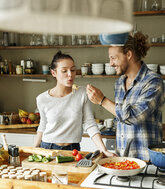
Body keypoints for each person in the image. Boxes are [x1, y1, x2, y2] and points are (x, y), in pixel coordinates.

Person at [86, 31, 165, 161]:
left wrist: (103, 101)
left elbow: (134, 117)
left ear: (128, 54)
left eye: (113, 58)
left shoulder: (153, 81)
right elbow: (121, 117)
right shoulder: (119, 83)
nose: (110, 63)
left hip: (145, 161)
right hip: (122, 160)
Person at [34, 50, 114, 158]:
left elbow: (89, 123)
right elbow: (43, 124)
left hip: (74, 150)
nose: (70, 75)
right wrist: (35, 148)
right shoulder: (42, 99)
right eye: (64, 71)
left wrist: (103, 150)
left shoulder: (82, 94)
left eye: (72, 70)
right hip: (48, 148)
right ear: (54, 73)